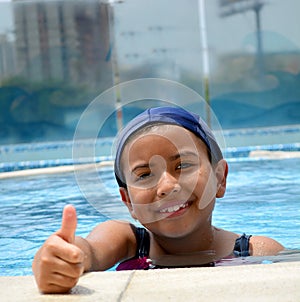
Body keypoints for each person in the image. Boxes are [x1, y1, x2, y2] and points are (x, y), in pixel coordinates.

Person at [32, 106, 284, 293]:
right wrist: (60, 257)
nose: (166, 186)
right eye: (144, 175)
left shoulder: (253, 251)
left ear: (220, 179)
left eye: (183, 165)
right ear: (128, 201)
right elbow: (90, 249)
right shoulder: (127, 241)